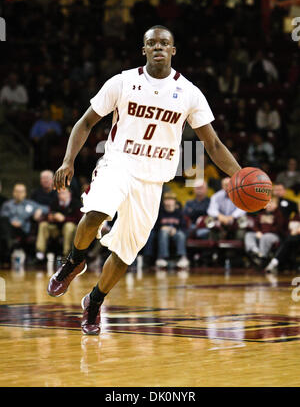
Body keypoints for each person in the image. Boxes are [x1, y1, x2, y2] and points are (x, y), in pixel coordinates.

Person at [47, 25, 241, 335]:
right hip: (118, 163)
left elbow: (214, 146)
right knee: (96, 211)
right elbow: (85, 123)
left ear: (173, 50)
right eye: (152, 43)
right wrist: (67, 160)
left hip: (153, 180)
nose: (158, 47)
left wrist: (241, 175)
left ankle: (94, 302)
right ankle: (74, 261)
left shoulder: (190, 93)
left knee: (125, 254)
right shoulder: (122, 82)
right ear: (144, 49)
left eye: (165, 43)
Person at [0, 183, 47, 264]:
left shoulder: (30, 204)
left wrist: (40, 211)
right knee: (4, 222)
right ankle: (9, 246)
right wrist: (12, 221)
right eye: (17, 191)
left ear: (25, 193)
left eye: (21, 192)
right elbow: (3, 216)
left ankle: (9, 248)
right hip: (10, 228)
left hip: (23, 230)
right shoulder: (7, 205)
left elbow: (47, 208)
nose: (19, 194)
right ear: (13, 193)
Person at [35, 188, 82, 261]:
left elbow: (79, 220)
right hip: (56, 228)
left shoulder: (76, 203)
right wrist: (51, 218)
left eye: (63, 193)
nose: (61, 195)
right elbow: (48, 216)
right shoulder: (54, 202)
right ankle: (40, 252)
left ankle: (66, 254)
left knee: (68, 226)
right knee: (43, 225)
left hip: (70, 229)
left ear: (69, 194)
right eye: (59, 193)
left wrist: (64, 219)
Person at [244, 198, 285, 263]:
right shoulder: (261, 214)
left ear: (276, 205)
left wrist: (263, 232)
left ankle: (262, 256)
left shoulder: (279, 215)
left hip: (273, 235)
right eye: (267, 203)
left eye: (272, 203)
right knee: (249, 235)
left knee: (265, 237)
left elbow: (278, 227)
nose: (269, 205)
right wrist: (258, 231)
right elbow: (255, 225)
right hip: (261, 234)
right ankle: (254, 251)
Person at [156, 192, 189, 269]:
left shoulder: (179, 213)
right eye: (167, 199)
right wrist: (162, 227)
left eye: (171, 199)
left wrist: (175, 229)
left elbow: (184, 227)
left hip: (175, 233)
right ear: (164, 201)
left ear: (175, 201)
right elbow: (155, 226)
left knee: (181, 234)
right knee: (163, 232)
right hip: (163, 233)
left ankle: (182, 257)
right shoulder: (159, 212)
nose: (169, 202)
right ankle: (162, 258)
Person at [265, 201, 300, 273]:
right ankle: (282, 264)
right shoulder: (296, 216)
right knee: (288, 240)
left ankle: (275, 262)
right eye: (299, 207)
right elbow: (290, 228)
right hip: (294, 237)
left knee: (289, 240)